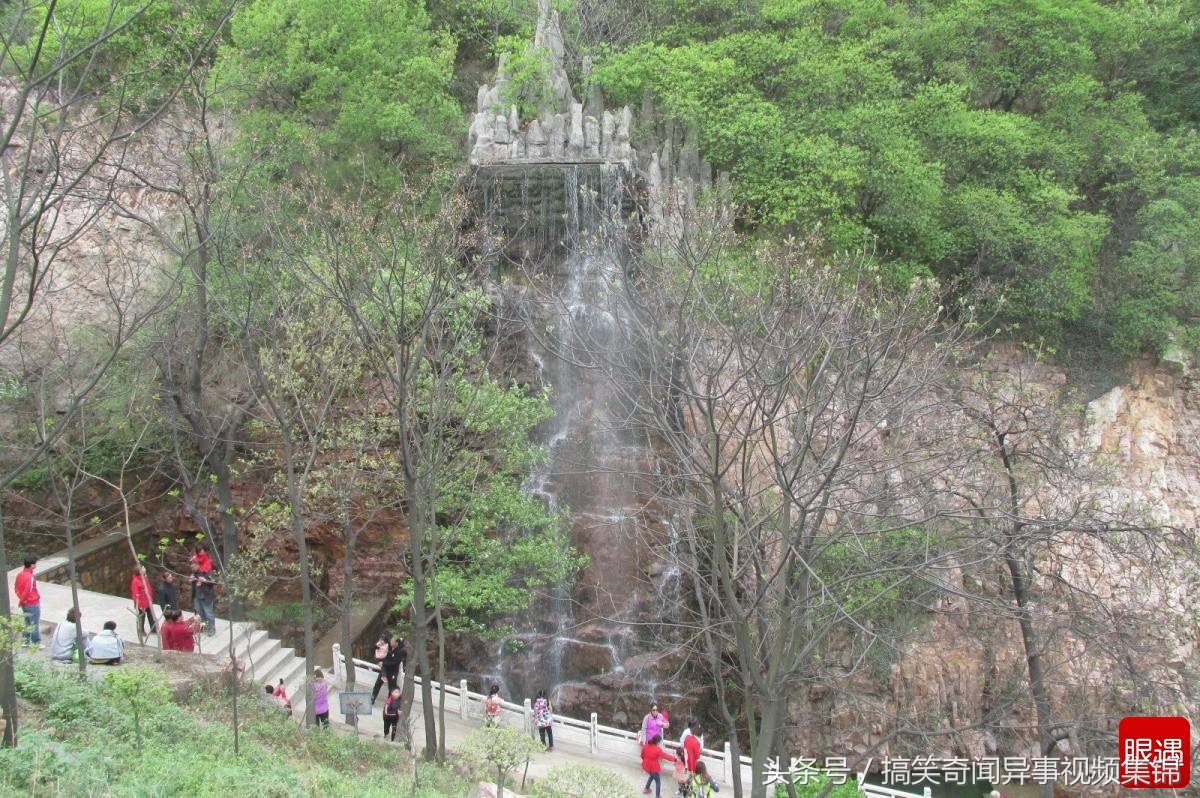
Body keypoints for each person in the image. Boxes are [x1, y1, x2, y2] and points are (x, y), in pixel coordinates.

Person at [14, 555, 41, 649]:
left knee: (27, 623)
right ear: (32, 565)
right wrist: (22, 600)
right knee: (34, 624)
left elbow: (16, 588)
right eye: (36, 563)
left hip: (25, 604)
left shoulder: (19, 575)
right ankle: (36, 643)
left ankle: (25, 641)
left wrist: (20, 599)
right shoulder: (30, 576)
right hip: (32, 603)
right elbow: (27, 590)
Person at [641, 733, 677, 797]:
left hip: (646, 766)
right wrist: (674, 759)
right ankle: (657, 796)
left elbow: (642, 755)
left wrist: (645, 761)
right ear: (658, 742)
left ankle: (646, 789)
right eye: (660, 742)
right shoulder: (658, 750)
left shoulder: (646, 745)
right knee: (658, 782)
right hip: (653, 768)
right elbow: (665, 756)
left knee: (651, 776)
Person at [372, 636, 405, 702]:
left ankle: (389, 702)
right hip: (385, 670)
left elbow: (395, 662)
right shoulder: (388, 648)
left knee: (391, 688)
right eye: (391, 640)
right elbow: (381, 654)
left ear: (396, 643)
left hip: (392, 672)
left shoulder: (400, 651)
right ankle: (372, 698)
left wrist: (383, 664)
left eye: (392, 641)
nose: (391, 642)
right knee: (377, 684)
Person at [130, 566, 157, 637]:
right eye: (142, 568)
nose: (144, 568)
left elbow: (148, 588)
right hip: (142, 603)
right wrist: (139, 605)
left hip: (148, 601)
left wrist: (151, 597)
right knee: (142, 617)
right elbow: (135, 594)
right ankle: (141, 630)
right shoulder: (135, 581)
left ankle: (153, 628)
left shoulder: (145, 578)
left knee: (151, 615)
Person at [193, 568, 216, 636]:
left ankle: (211, 629)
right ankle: (204, 627)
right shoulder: (196, 572)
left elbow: (213, 582)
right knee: (201, 614)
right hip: (198, 597)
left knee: (209, 614)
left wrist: (205, 581)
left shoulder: (208, 571)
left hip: (206, 597)